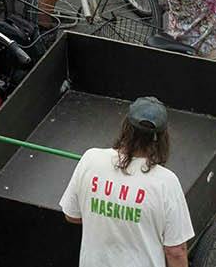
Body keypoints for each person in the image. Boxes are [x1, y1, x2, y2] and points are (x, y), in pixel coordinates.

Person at [61, 99, 194, 267]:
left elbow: (71, 215)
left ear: (126, 128)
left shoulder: (90, 159)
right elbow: (176, 251)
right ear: (161, 139)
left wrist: (110, 220)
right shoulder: (166, 182)